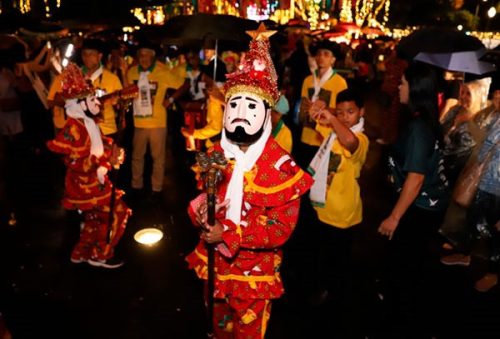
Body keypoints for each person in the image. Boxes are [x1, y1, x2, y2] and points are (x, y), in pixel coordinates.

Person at [185, 24, 313, 338]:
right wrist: (203, 213)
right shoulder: (216, 151)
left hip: (254, 273)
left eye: (251, 105)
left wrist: (228, 233)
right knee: (218, 323)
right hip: (216, 265)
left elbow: (280, 228)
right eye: (234, 104)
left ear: (267, 113)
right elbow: (205, 194)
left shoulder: (280, 166)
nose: (240, 113)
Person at [377, 62, 449, 337]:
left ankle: (398, 322)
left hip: (418, 209)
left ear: (416, 89)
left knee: (405, 268)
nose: (398, 86)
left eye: (403, 82)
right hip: (424, 208)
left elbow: (416, 178)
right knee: (412, 265)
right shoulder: (425, 119)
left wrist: (395, 217)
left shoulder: (419, 127)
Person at [47, 64, 131, 268]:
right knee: (117, 213)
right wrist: (105, 160)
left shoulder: (86, 121)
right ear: (79, 103)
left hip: (95, 181)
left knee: (95, 220)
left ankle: (82, 252)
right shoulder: (73, 128)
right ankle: (101, 254)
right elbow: (76, 163)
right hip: (85, 185)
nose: (97, 103)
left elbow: (100, 143)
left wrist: (113, 152)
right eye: (92, 99)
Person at [307, 88, 368, 303]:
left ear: (362, 112)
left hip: (343, 213)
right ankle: (325, 287)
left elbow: (350, 142)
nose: (345, 117)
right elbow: (314, 116)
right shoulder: (332, 132)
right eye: (341, 112)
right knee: (324, 254)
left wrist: (333, 117)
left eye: (350, 112)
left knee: (339, 259)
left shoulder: (360, 139)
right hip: (323, 206)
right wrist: (319, 109)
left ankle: (336, 295)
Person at [126, 40, 181, 198]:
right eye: (141, 55)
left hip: (158, 122)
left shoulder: (163, 71)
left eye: (147, 55)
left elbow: (184, 84)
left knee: (158, 158)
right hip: (139, 122)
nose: (143, 58)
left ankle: (156, 189)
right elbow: (127, 92)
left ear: (153, 56)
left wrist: (170, 100)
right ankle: (136, 186)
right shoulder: (132, 73)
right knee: (137, 156)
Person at [48, 39, 123, 137]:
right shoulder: (70, 76)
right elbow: (50, 101)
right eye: (84, 54)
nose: (87, 57)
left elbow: (121, 104)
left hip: (105, 130)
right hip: (78, 131)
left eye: (91, 54)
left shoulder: (112, 78)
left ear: (99, 56)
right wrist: (72, 99)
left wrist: (113, 101)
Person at [297, 39, 348, 168]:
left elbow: (342, 112)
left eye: (326, 54)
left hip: (324, 138)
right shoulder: (308, 80)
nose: (321, 57)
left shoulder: (340, 82)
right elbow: (302, 106)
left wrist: (325, 109)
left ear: (333, 59)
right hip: (306, 135)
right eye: (319, 53)